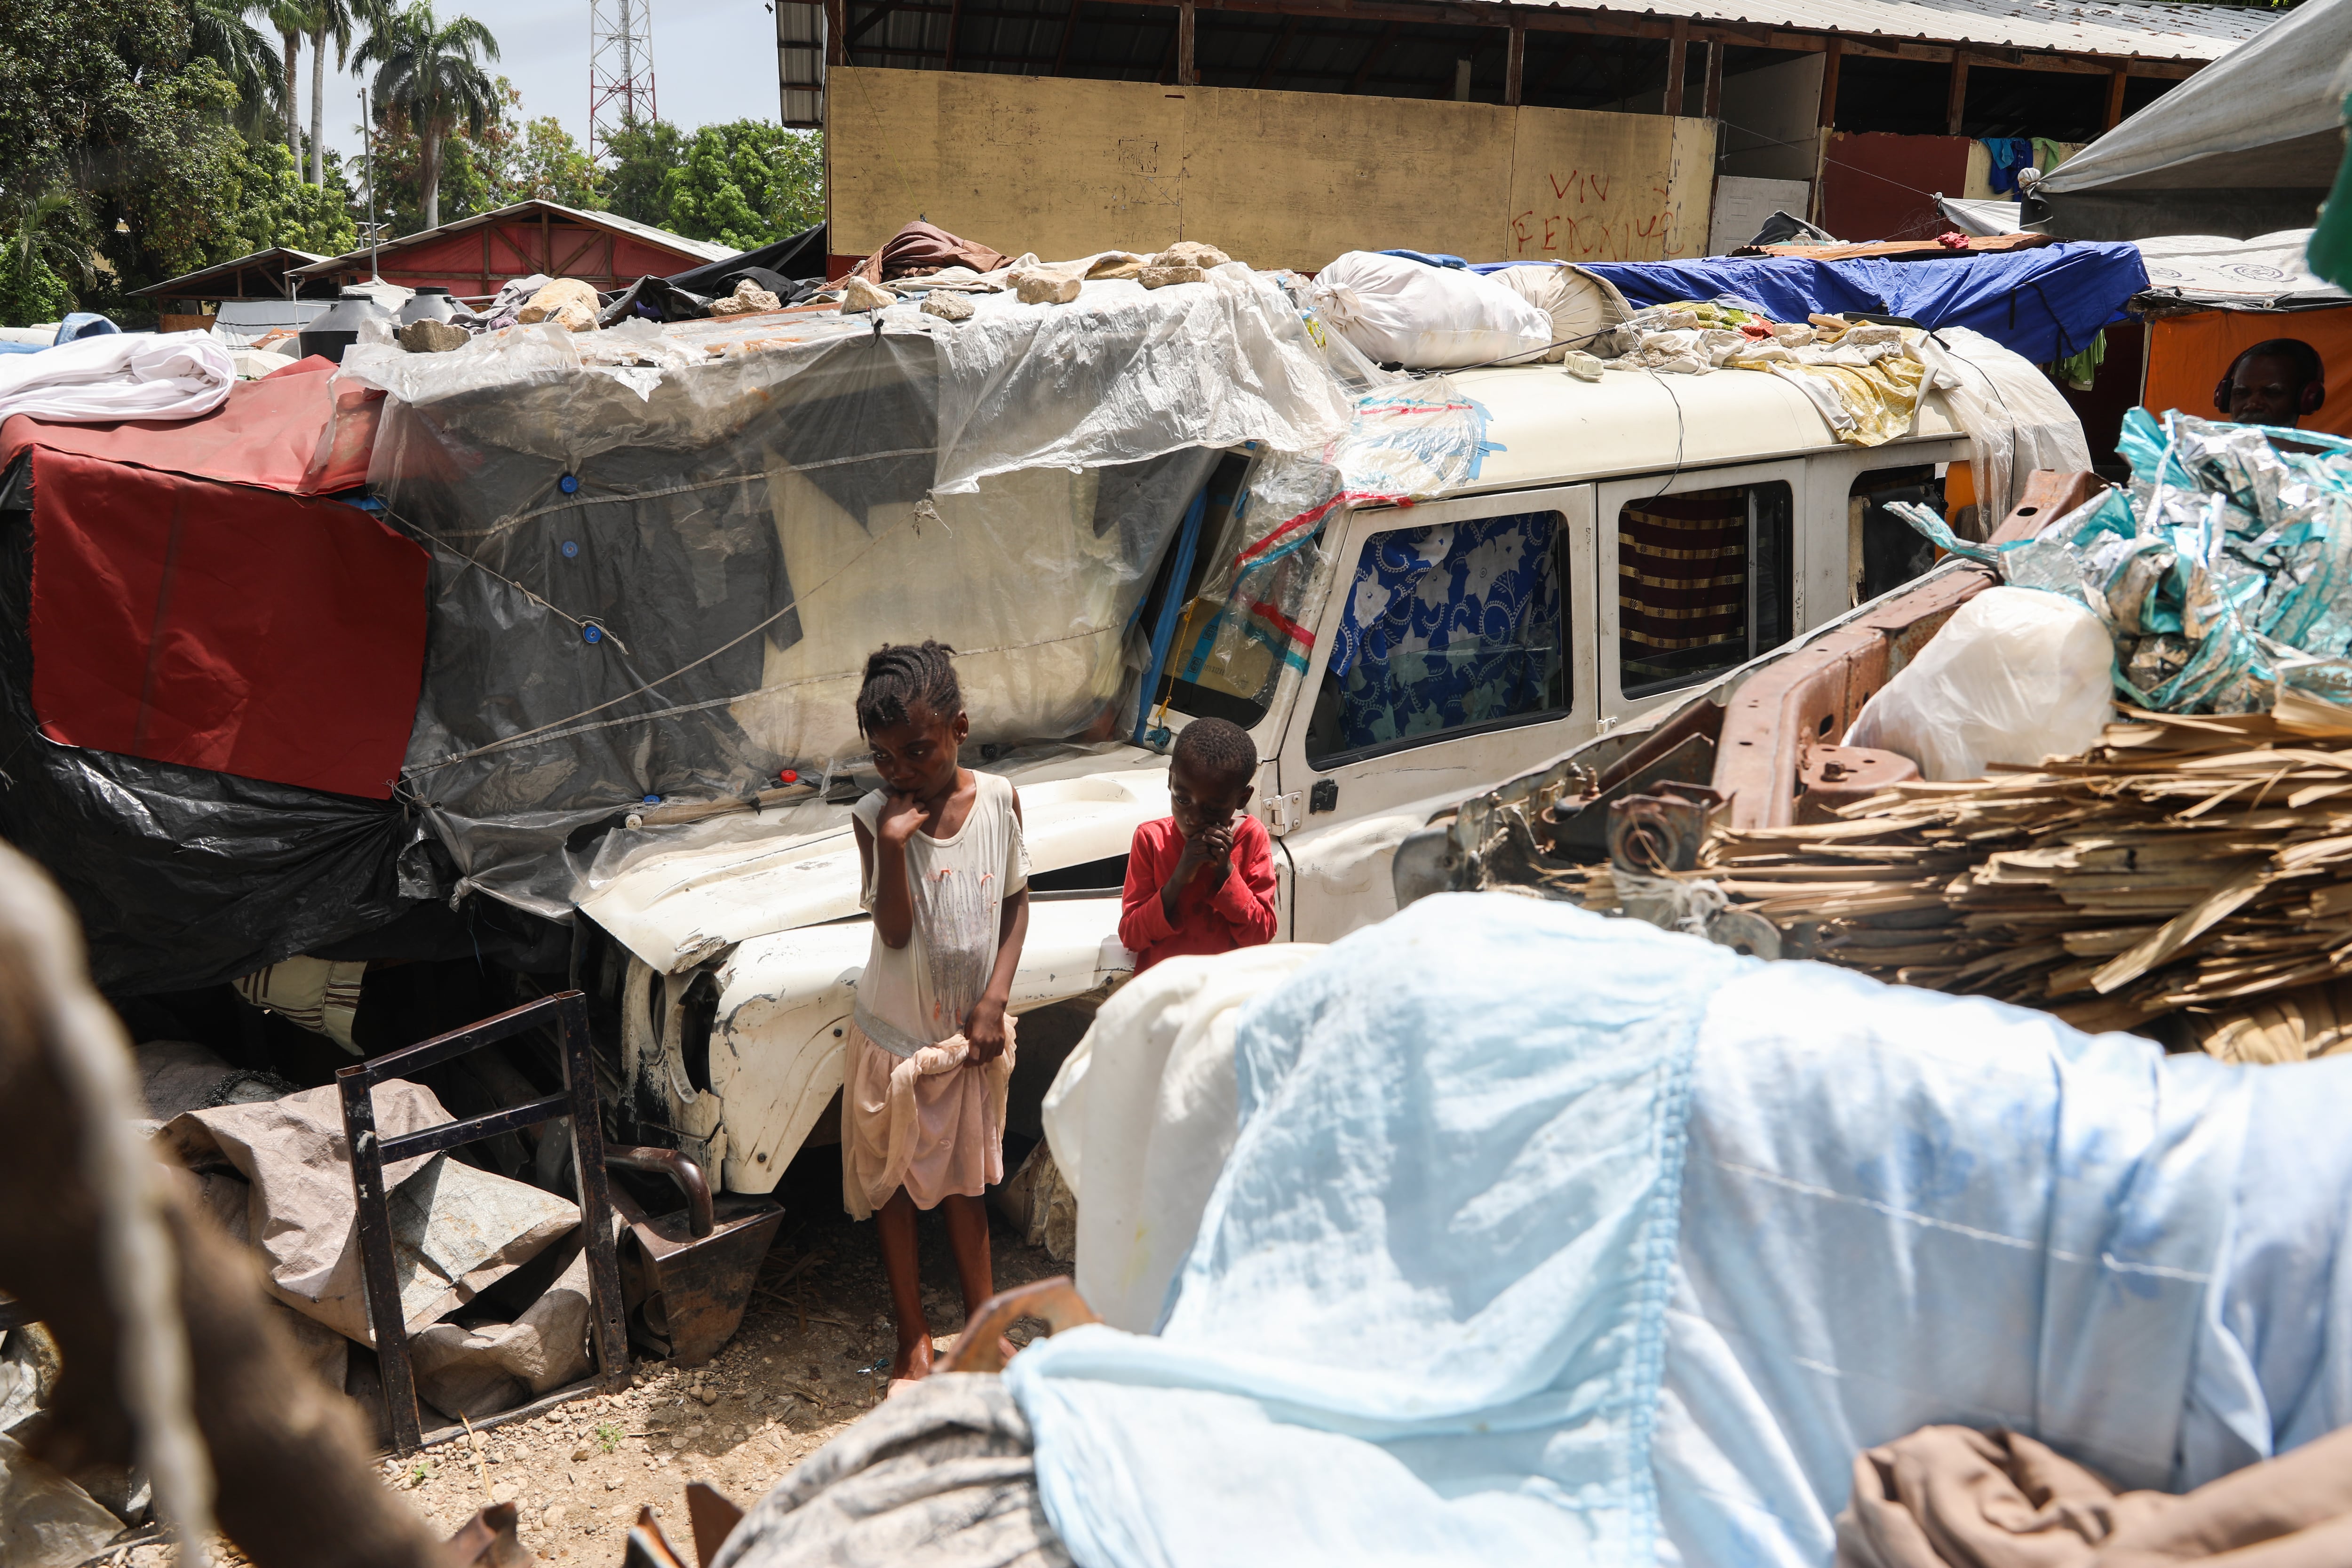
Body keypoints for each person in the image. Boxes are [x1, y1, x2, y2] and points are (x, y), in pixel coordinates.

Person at [843, 640, 1029, 1386]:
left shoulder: (1002, 801)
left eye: (917, 750)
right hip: (896, 1042)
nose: (902, 772)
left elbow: (1016, 903)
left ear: (959, 726)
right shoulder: (872, 818)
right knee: (894, 1189)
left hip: (966, 1039)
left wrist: (994, 1001)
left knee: (965, 1184)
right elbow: (894, 932)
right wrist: (892, 849)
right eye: (884, 758)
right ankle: (914, 1337)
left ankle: (984, 1331)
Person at [1118, 717, 1279, 974]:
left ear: (1242, 799)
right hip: (1165, 996)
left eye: (1212, 809)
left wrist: (1225, 871)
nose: (1193, 817)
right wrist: (1178, 879)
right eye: (1182, 799)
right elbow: (1131, 936)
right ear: (1171, 779)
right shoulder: (1151, 840)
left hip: (1224, 996)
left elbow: (1261, 935)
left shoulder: (1251, 838)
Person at [2215, 338, 2325, 429]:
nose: (2253, 404)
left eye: (2272, 393)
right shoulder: (2204, 450)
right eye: (2240, 393)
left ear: (2306, 400)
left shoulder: (2331, 454)